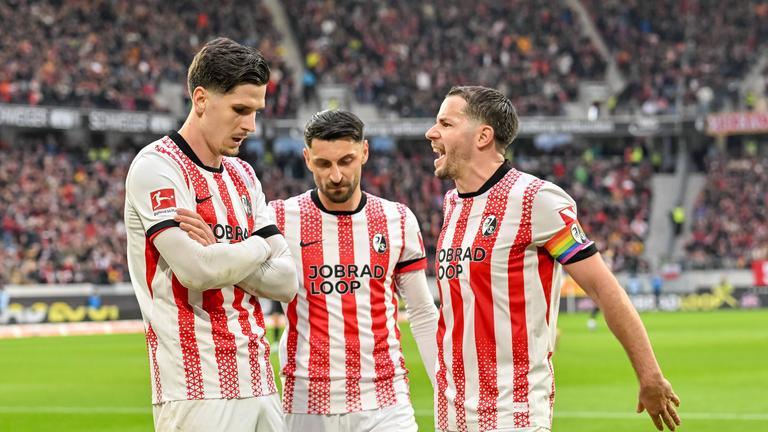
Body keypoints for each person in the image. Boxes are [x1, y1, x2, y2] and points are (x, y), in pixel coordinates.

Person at [425, 86, 681, 432]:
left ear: (483, 136)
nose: (432, 132)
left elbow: (604, 288)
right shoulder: (453, 204)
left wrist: (649, 375)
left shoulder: (535, 200)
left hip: (511, 416)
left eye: (446, 123)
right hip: (450, 415)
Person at [124, 37, 298, 432]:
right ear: (201, 100)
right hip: (195, 388)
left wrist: (223, 250)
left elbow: (287, 281)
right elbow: (196, 272)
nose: (250, 126)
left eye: (256, 112)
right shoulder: (157, 167)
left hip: (261, 382)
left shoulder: (243, 175)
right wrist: (257, 246)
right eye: (240, 109)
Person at [269, 109, 439, 432]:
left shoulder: (398, 220)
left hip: (385, 404)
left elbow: (421, 311)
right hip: (306, 404)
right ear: (306, 159)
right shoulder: (278, 218)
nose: (335, 176)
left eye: (346, 161)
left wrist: (445, 391)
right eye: (323, 164)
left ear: (364, 152)